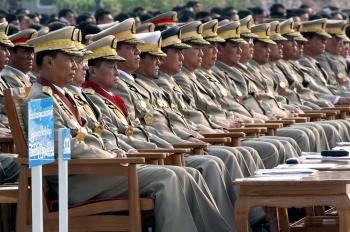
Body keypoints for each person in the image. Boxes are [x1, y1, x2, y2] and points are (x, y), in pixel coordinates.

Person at [26, 26, 231, 232]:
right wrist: (108, 156)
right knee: (167, 178)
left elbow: (97, 134)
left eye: (78, 59)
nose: (79, 66)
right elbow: (54, 148)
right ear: (49, 61)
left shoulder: (64, 94)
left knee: (183, 174)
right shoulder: (40, 98)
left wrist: (115, 151)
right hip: (76, 179)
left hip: (98, 170)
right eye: (71, 59)